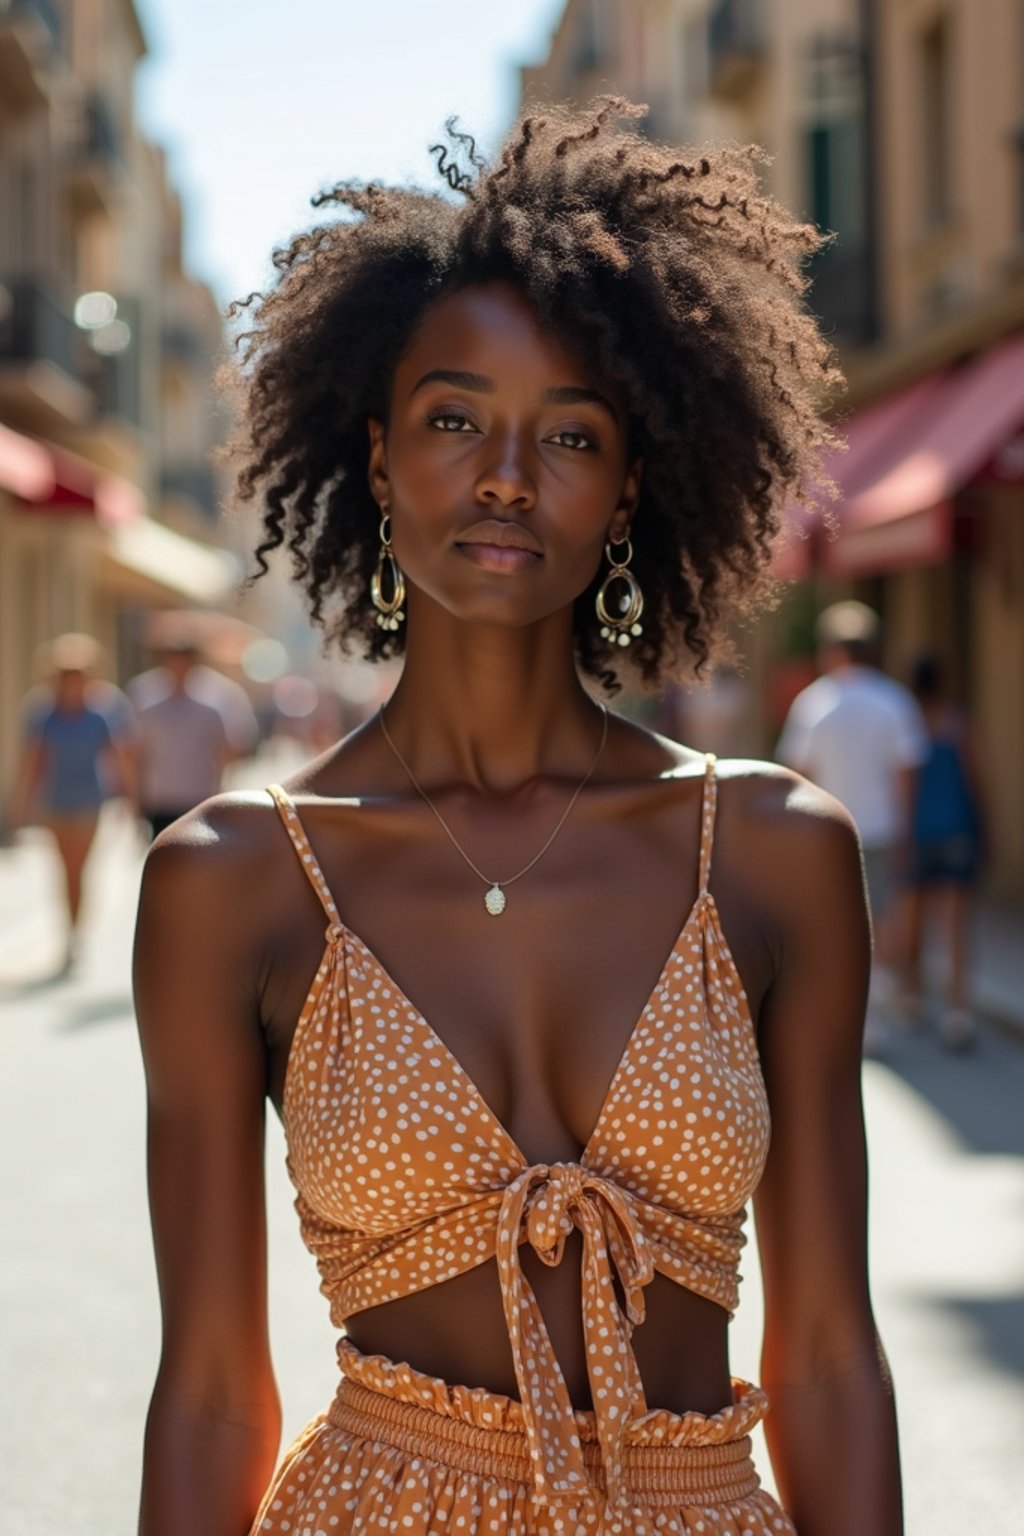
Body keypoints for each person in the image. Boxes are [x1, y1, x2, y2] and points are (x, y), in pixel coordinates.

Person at [134, 100, 902, 1536]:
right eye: (452, 420)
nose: (503, 475)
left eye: (569, 433)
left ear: (627, 488)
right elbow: (214, 1393)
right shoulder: (232, 881)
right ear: (374, 456)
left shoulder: (779, 852)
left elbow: (833, 1362)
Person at [776, 601, 928, 1052]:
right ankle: (874, 1014)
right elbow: (908, 772)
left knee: (835, 922)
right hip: (881, 828)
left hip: (827, 831)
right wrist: (906, 828)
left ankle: (850, 1014)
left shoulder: (814, 703)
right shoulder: (894, 700)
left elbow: (797, 774)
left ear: (832, 650)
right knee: (879, 918)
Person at [9, 632, 135, 970]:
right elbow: (33, 762)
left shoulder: (102, 712)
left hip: (89, 801)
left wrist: (129, 801)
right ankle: (68, 928)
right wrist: (20, 808)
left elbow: (118, 758)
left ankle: (77, 932)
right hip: (55, 802)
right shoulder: (43, 713)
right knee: (63, 868)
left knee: (81, 868)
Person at [904, 653, 986, 1050]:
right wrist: (985, 825)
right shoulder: (957, 722)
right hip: (955, 829)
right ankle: (957, 1013)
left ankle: (915, 998)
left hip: (917, 831)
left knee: (914, 920)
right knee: (954, 926)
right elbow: (974, 777)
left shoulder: (904, 722)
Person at [128, 638, 259, 839]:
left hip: (198, 798)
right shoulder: (147, 705)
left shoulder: (212, 709)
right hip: (160, 800)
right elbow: (137, 756)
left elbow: (225, 753)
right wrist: (136, 801)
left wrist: (218, 795)